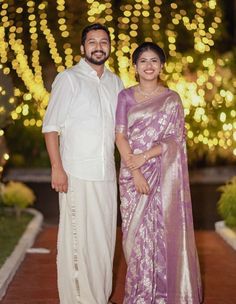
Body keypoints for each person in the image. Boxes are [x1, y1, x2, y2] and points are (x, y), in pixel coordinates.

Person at [115, 42, 202, 304]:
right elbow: (119, 136)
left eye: (154, 61)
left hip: (162, 174)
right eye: (143, 61)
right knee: (135, 241)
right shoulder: (125, 97)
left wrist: (146, 156)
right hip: (132, 177)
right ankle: (140, 297)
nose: (149, 66)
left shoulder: (171, 99)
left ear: (162, 65)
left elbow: (176, 140)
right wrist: (136, 171)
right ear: (135, 66)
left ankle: (162, 297)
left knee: (161, 236)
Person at [42, 23, 123, 304]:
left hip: (106, 175)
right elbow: (50, 127)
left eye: (103, 41)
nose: (98, 46)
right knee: (78, 241)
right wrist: (57, 168)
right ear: (82, 48)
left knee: (103, 242)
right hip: (76, 172)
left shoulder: (115, 82)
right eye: (92, 42)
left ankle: (100, 297)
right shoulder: (69, 79)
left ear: (110, 47)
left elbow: (120, 131)